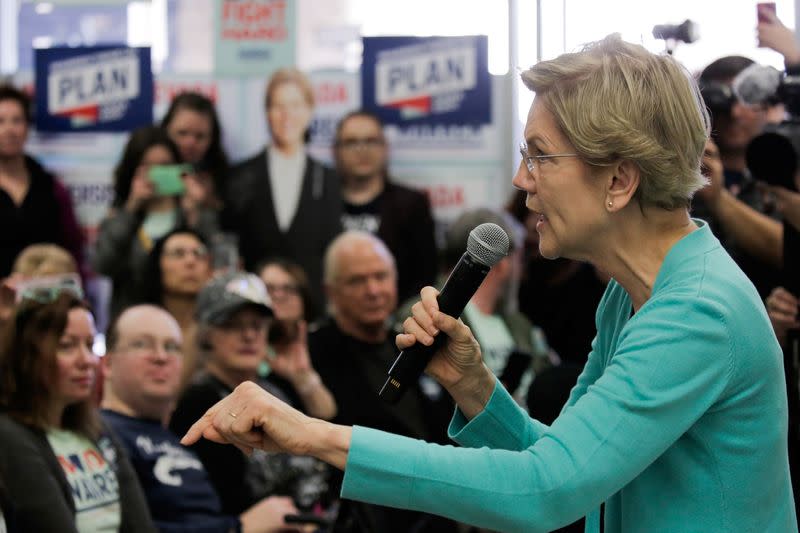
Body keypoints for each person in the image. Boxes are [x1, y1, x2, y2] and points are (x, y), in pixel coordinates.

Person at [180, 35, 797, 532]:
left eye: (539, 156)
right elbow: (565, 468)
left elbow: (545, 490)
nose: (521, 180)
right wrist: (475, 386)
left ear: (618, 181)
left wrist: (314, 436)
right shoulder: (632, 293)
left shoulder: (696, 312)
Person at [101, 304, 303, 532]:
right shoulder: (100, 434)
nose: (161, 357)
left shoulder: (175, 435)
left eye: (172, 347)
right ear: (107, 364)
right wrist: (241, 527)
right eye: (142, 344)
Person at [308, 231, 457, 532]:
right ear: (330, 291)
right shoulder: (313, 354)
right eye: (357, 281)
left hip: (444, 506)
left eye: (380, 276)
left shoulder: (416, 342)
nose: (373, 290)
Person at [169, 272, 335, 518]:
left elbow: (328, 421)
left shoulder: (275, 386)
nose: (249, 335)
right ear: (207, 334)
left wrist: (303, 378)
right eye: (233, 325)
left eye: (257, 325)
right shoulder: (199, 401)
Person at [0, 283, 154, 532]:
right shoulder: (8, 435)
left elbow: (141, 524)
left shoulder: (96, 426)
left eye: (90, 345)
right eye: (67, 346)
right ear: (27, 356)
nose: (87, 361)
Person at [222, 68, 342, 315]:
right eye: (278, 106)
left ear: (310, 111)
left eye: (296, 105)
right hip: (252, 311)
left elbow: (331, 251)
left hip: (312, 313)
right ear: (267, 112)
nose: (287, 115)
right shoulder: (239, 176)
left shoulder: (329, 179)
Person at [93, 126, 219, 318]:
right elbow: (103, 265)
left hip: (185, 320)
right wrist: (131, 208)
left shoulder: (194, 214)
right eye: (148, 166)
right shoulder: (121, 216)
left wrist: (194, 213)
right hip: (131, 318)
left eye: (165, 165)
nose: (157, 172)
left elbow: (215, 264)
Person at [334, 110, 438, 302]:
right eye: (351, 142)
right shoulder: (319, 205)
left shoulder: (412, 205)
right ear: (336, 151)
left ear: (385, 148)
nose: (361, 149)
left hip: (398, 322)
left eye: (371, 141)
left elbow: (425, 276)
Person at [0, 84, 84, 279]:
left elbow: (73, 250)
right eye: (1, 121)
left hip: (47, 300)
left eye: (17, 121)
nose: (9, 129)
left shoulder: (52, 187)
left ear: (27, 127)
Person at [139, 228, 213, 390]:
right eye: (179, 254)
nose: (191, 262)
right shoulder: (140, 326)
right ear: (158, 265)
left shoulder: (219, 328)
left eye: (198, 254)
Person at [161, 91, 229, 211]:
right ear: (165, 130)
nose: (190, 143)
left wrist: (208, 203)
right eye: (182, 133)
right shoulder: (145, 169)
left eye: (200, 136)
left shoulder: (226, 180)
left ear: (212, 139)